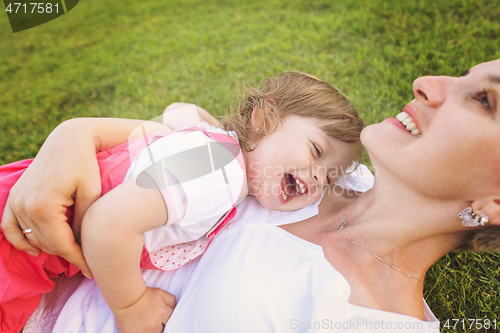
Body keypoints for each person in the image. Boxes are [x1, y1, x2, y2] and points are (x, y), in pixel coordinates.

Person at [6, 60, 500, 333]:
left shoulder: (367, 322)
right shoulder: (272, 169)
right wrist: (73, 136)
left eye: (483, 100)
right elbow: (173, 134)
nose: (427, 83)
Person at [0, 71, 365, 333]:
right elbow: (105, 224)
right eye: (316, 151)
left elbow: (179, 110)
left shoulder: (212, 146)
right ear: (262, 117)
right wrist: (132, 306)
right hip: (21, 250)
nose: (319, 177)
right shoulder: (221, 175)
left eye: (330, 177)